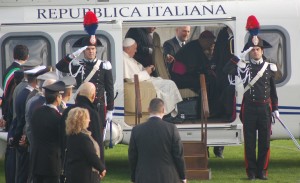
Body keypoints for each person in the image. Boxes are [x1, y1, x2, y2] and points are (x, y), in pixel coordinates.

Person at [223, 36, 279, 180]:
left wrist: (275, 108)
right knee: (249, 142)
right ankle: (251, 171)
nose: (255, 52)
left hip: (265, 109)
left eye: (257, 49)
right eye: (253, 50)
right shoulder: (244, 67)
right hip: (249, 109)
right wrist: (237, 58)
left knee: (264, 142)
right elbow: (226, 70)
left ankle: (262, 171)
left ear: (262, 51)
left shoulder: (270, 67)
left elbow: (273, 91)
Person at [56, 36, 114, 135]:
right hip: (82, 106)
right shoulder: (78, 65)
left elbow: (109, 89)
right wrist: (73, 55)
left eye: (93, 49)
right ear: (83, 51)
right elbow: (59, 66)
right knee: (81, 133)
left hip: (98, 107)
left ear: (96, 50)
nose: (91, 51)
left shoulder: (104, 66)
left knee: (98, 135)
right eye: (87, 49)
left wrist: (110, 110)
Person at [123, 38, 183, 122]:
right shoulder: (123, 59)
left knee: (169, 84)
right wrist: (147, 72)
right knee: (169, 84)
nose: (136, 51)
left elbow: (138, 70)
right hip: (143, 84)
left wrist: (147, 69)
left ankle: (171, 112)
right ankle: (169, 114)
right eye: (134, 48)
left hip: (145, 80)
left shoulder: (128, 57)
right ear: (128, 48)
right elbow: (132, 78)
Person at [128, 98, 186, 183]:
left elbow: (132, 157)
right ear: (163, 110)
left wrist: (134, 176)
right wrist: (182, 176)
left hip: (144, 177)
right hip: (168, 177)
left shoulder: (136, 130)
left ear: (148, 110)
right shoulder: (171, 129)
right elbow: (178, 155)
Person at [2, 44, 29, 183]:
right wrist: (7, 117)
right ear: (27, 57)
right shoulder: (18, 72)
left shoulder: (9, 70)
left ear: (13, 55)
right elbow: (10, 98)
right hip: (13, 117)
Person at [61, 82, 105, 164]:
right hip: (87, 162)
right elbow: (98, 139)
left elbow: (62, 136)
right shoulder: (93, 114)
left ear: (79, 93)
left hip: (69, 159)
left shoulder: (67, 111)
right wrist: (101, 164)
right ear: (93, 95)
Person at [30, 81, 66, 183]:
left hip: (36, 161)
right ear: (58, 98)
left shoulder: (36, 112)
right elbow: (62, 140)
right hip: (52, 163)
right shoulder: (58, 117)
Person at [65, 107, 106, 183]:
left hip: (73, 173)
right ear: (81, 120)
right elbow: (91, 155)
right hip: (85, 175)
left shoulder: (71, 136)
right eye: (87, 118)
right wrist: (101, 168)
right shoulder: (83, 138)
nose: (89, 120)